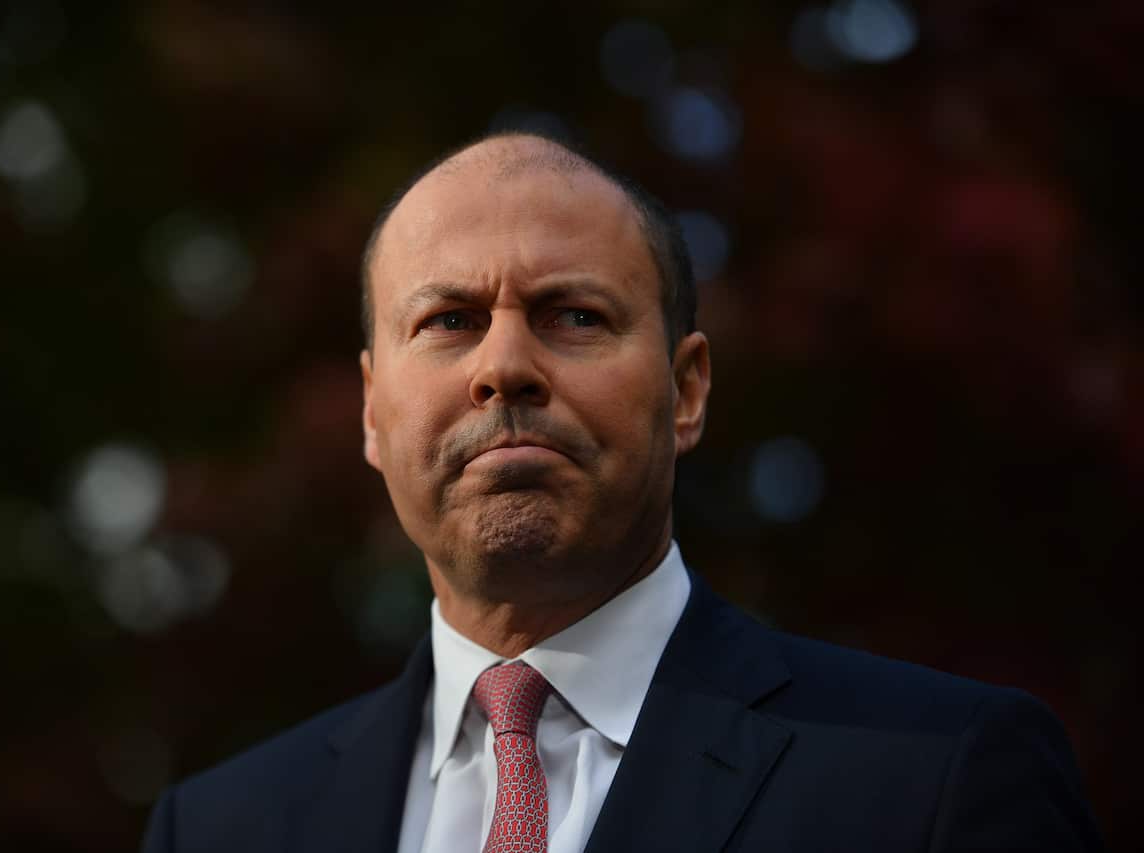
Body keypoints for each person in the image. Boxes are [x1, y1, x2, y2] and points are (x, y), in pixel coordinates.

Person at [140, 132, 1104, 852]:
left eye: (573, 315)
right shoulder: (220, 829)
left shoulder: (935, 775)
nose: (504, 366)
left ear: (686, 391)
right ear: (370, 412)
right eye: (449, 320)